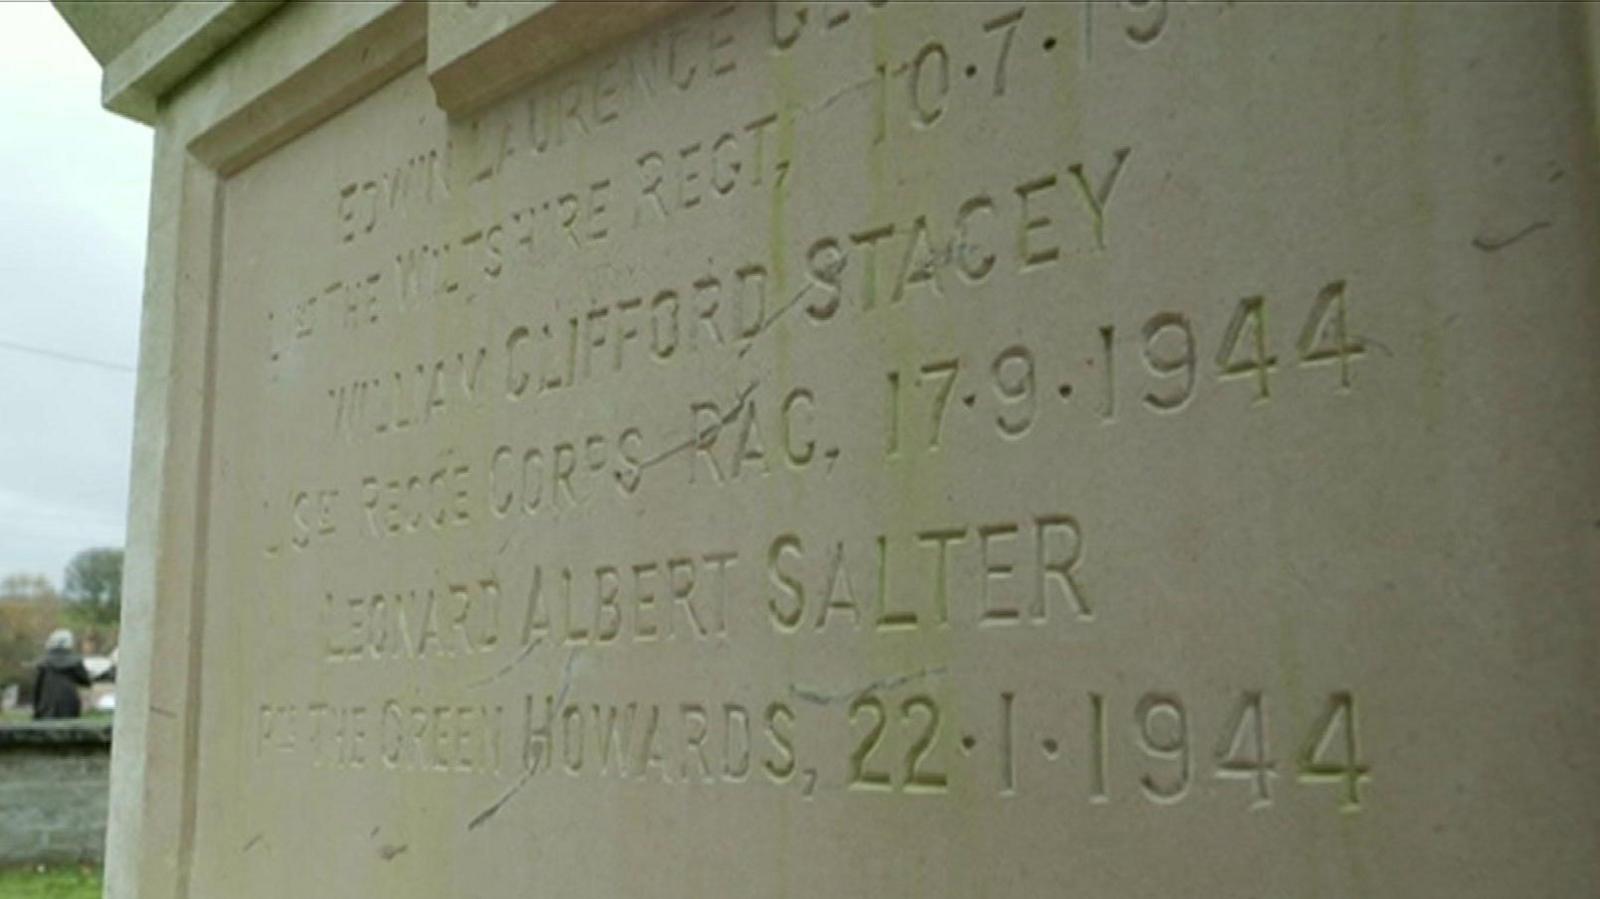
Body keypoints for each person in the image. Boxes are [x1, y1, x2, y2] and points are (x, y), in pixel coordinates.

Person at [32, 629, 92, 720]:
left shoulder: (43, 662)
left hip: (47, 703)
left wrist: (36, 708)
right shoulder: (75, 661)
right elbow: (86, 681)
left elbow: (37, 688)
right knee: (68, 730)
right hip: (69, 703)